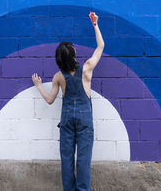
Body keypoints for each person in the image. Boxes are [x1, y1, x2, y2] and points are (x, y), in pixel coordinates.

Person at [32, 12, 104, 191]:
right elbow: (101, 46)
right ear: (73, 54)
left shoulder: (58, 76)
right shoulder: (86, 68)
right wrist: (95, 25)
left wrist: (39, 85)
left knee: (66, 159)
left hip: (66, 120)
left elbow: (50, 100)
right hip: (84, 119)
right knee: (83, 160)